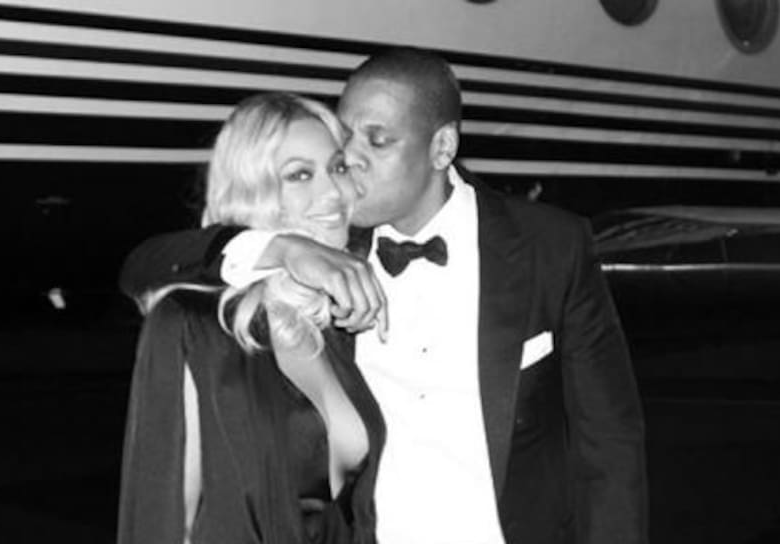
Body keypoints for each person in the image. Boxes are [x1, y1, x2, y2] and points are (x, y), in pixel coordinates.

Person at [120, 47, 648, 544]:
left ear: (441, 148)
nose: (351, 162)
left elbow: (610, 444)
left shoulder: (548, 246)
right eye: (346, 141)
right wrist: (279, 247)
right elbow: (145, 266)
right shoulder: (327, 246)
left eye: (377, 141)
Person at [116, 92, 385, 544]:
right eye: (299, 175)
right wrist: (281, 248)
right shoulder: (193, 325)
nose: (333, 192)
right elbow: (163, 514)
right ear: (252, 190)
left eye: (337, 168)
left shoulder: (337, 324)